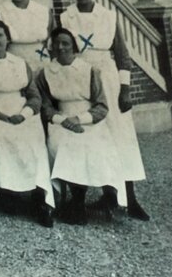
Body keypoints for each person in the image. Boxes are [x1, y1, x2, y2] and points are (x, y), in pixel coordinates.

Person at [58, 0, 148, 220]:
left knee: (120, 136)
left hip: (108, 79)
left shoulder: (108, 16)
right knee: (86, 135)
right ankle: (78, 200)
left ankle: (127, 198)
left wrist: (125, 89)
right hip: (80, 78)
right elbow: (63, 49)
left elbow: (121, 53)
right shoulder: (66, 17)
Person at [0, 19, 54, 227]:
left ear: (7, 39)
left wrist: (24, 114)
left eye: (0, 35)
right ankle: (5, 192)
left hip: (21, 111)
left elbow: (34, 96)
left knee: (32, 140)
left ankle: (39, 195)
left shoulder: (20, 63)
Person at [36, 28, 123, 225]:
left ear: (74, 46)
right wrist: (62, 120)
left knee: (95, 145)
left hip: (89, 119)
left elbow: (101, 106)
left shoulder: (89, 70)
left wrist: (80, 119)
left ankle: (108, 197)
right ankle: (77, 202)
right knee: (65, 145)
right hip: (60, 120)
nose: (61, 47)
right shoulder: (46, 72)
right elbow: (45, 106)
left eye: (66, 43)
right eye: (57, 43)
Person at [0, 0, 53, 71]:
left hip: (40, 57)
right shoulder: (0, 11)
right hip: (13, 57)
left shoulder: (43, 10)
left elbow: (52, 37)